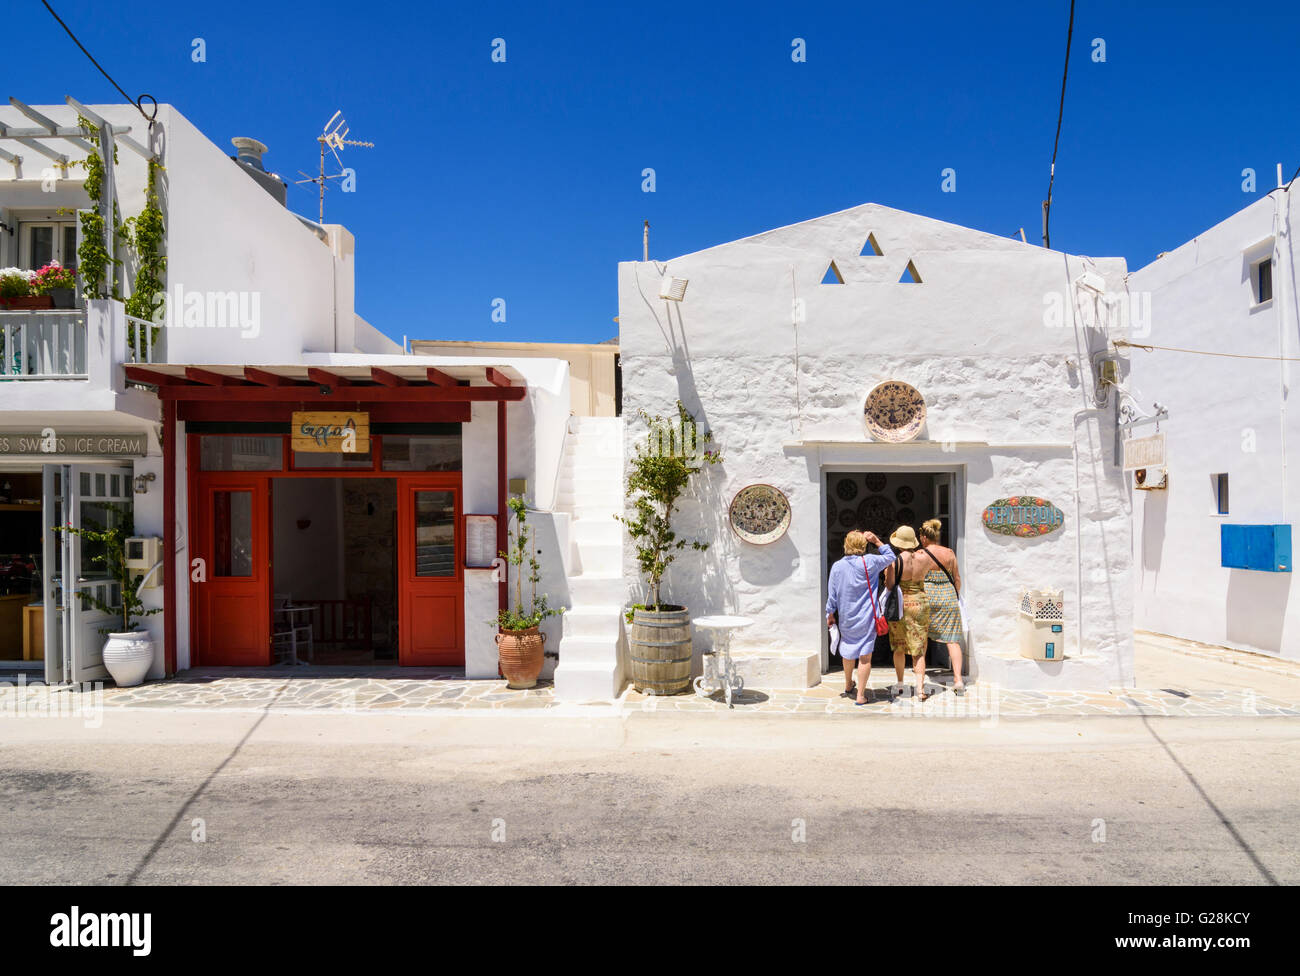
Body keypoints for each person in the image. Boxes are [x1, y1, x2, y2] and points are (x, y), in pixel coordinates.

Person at [825, 530, 895, 705]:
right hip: (867, 617)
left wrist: (830, 613)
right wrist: (877, 540)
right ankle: (860, 695)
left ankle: (849, 684)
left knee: (848, 651)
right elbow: (891, 556)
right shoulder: (870, 561)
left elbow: (832, 594)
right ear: (863, 545)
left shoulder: (837, 566)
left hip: (847, 617)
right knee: (865, 656)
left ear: (846, 544)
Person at [918, 518, 965, 694]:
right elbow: (957, 578)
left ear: (923, 537)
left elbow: (916, 578)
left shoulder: (920, 555)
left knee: (922, 641)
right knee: (952, 640)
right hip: (948, 598)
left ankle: (920, 682)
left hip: (927, 598)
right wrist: (955, 595)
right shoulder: (949, 553)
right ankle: (958, 680)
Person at [886, 525, 932, 701]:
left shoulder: (895, 561)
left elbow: (890, 585)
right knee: (919, 648)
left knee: (898, 646)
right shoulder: (925, 559)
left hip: (901, 604)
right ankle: (920, 690)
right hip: (920, 602)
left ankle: (899, 684)